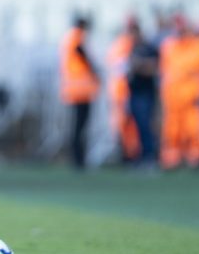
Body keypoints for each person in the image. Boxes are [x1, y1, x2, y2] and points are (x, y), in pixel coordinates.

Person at [159, 15, 199, 169]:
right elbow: (166, 72)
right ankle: (172, 159)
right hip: (173, 98)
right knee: (172, 130)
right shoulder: (169, 46)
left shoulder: (198, 46)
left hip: (192, 97)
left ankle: (196, 157)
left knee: (194, 129)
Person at [60, 16, 100, 169]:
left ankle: (78, 159)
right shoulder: (77, 37)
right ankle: (78, 160)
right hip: (80, 91)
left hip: (75, 90)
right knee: (80, 127)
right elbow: (82, 54)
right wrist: (95, 72)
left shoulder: (69, 38)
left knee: (78, 127)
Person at [125, 19, 159, 167]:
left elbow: (155, 68)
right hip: (134, 93)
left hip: (145, 94)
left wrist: (139, 65)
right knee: (138, 127)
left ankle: (149, 157)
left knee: (146, 126)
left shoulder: (149, 48)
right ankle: (141, 156)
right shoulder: (133, 48)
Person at [106, 18, 141, 162]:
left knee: (124, 124)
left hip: (119, 91)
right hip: (123, 91)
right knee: (126, 124)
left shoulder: (118, 44)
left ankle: (128, 153)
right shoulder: (126, 45)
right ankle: (128, 154)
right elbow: (124, 67)